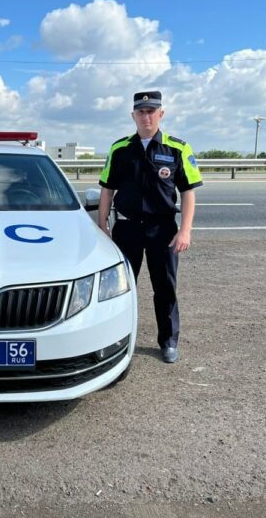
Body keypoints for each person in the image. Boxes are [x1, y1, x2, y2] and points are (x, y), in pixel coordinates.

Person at [98, 91, 203, 363]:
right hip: (127, 230)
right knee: (120, 289)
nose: (146, 116)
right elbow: (107, 190)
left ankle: (168, 341)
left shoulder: (178, 149)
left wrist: (185, 230)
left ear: (161, 114)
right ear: (133, 115)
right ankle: (118, 341)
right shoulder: (119, 148)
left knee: (165, 288)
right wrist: (102, 227)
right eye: (141, 111)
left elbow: (188, 192)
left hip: (163, 230)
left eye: (151, 111)